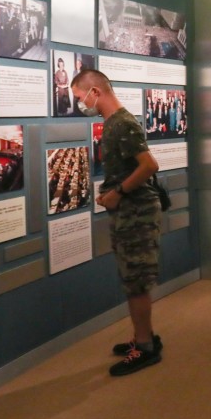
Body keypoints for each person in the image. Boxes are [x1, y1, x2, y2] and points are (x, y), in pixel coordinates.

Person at [70, 68, 164, 376]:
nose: (81, 104)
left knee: (135, 282)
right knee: (131, 278)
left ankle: (146, 346)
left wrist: (118, 193)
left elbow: (149, 165)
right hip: (127, 211)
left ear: (95, 92)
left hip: (136, 212)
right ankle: (142, 335)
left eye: (81, 97)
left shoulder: (121, 123)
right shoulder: (114, 123)